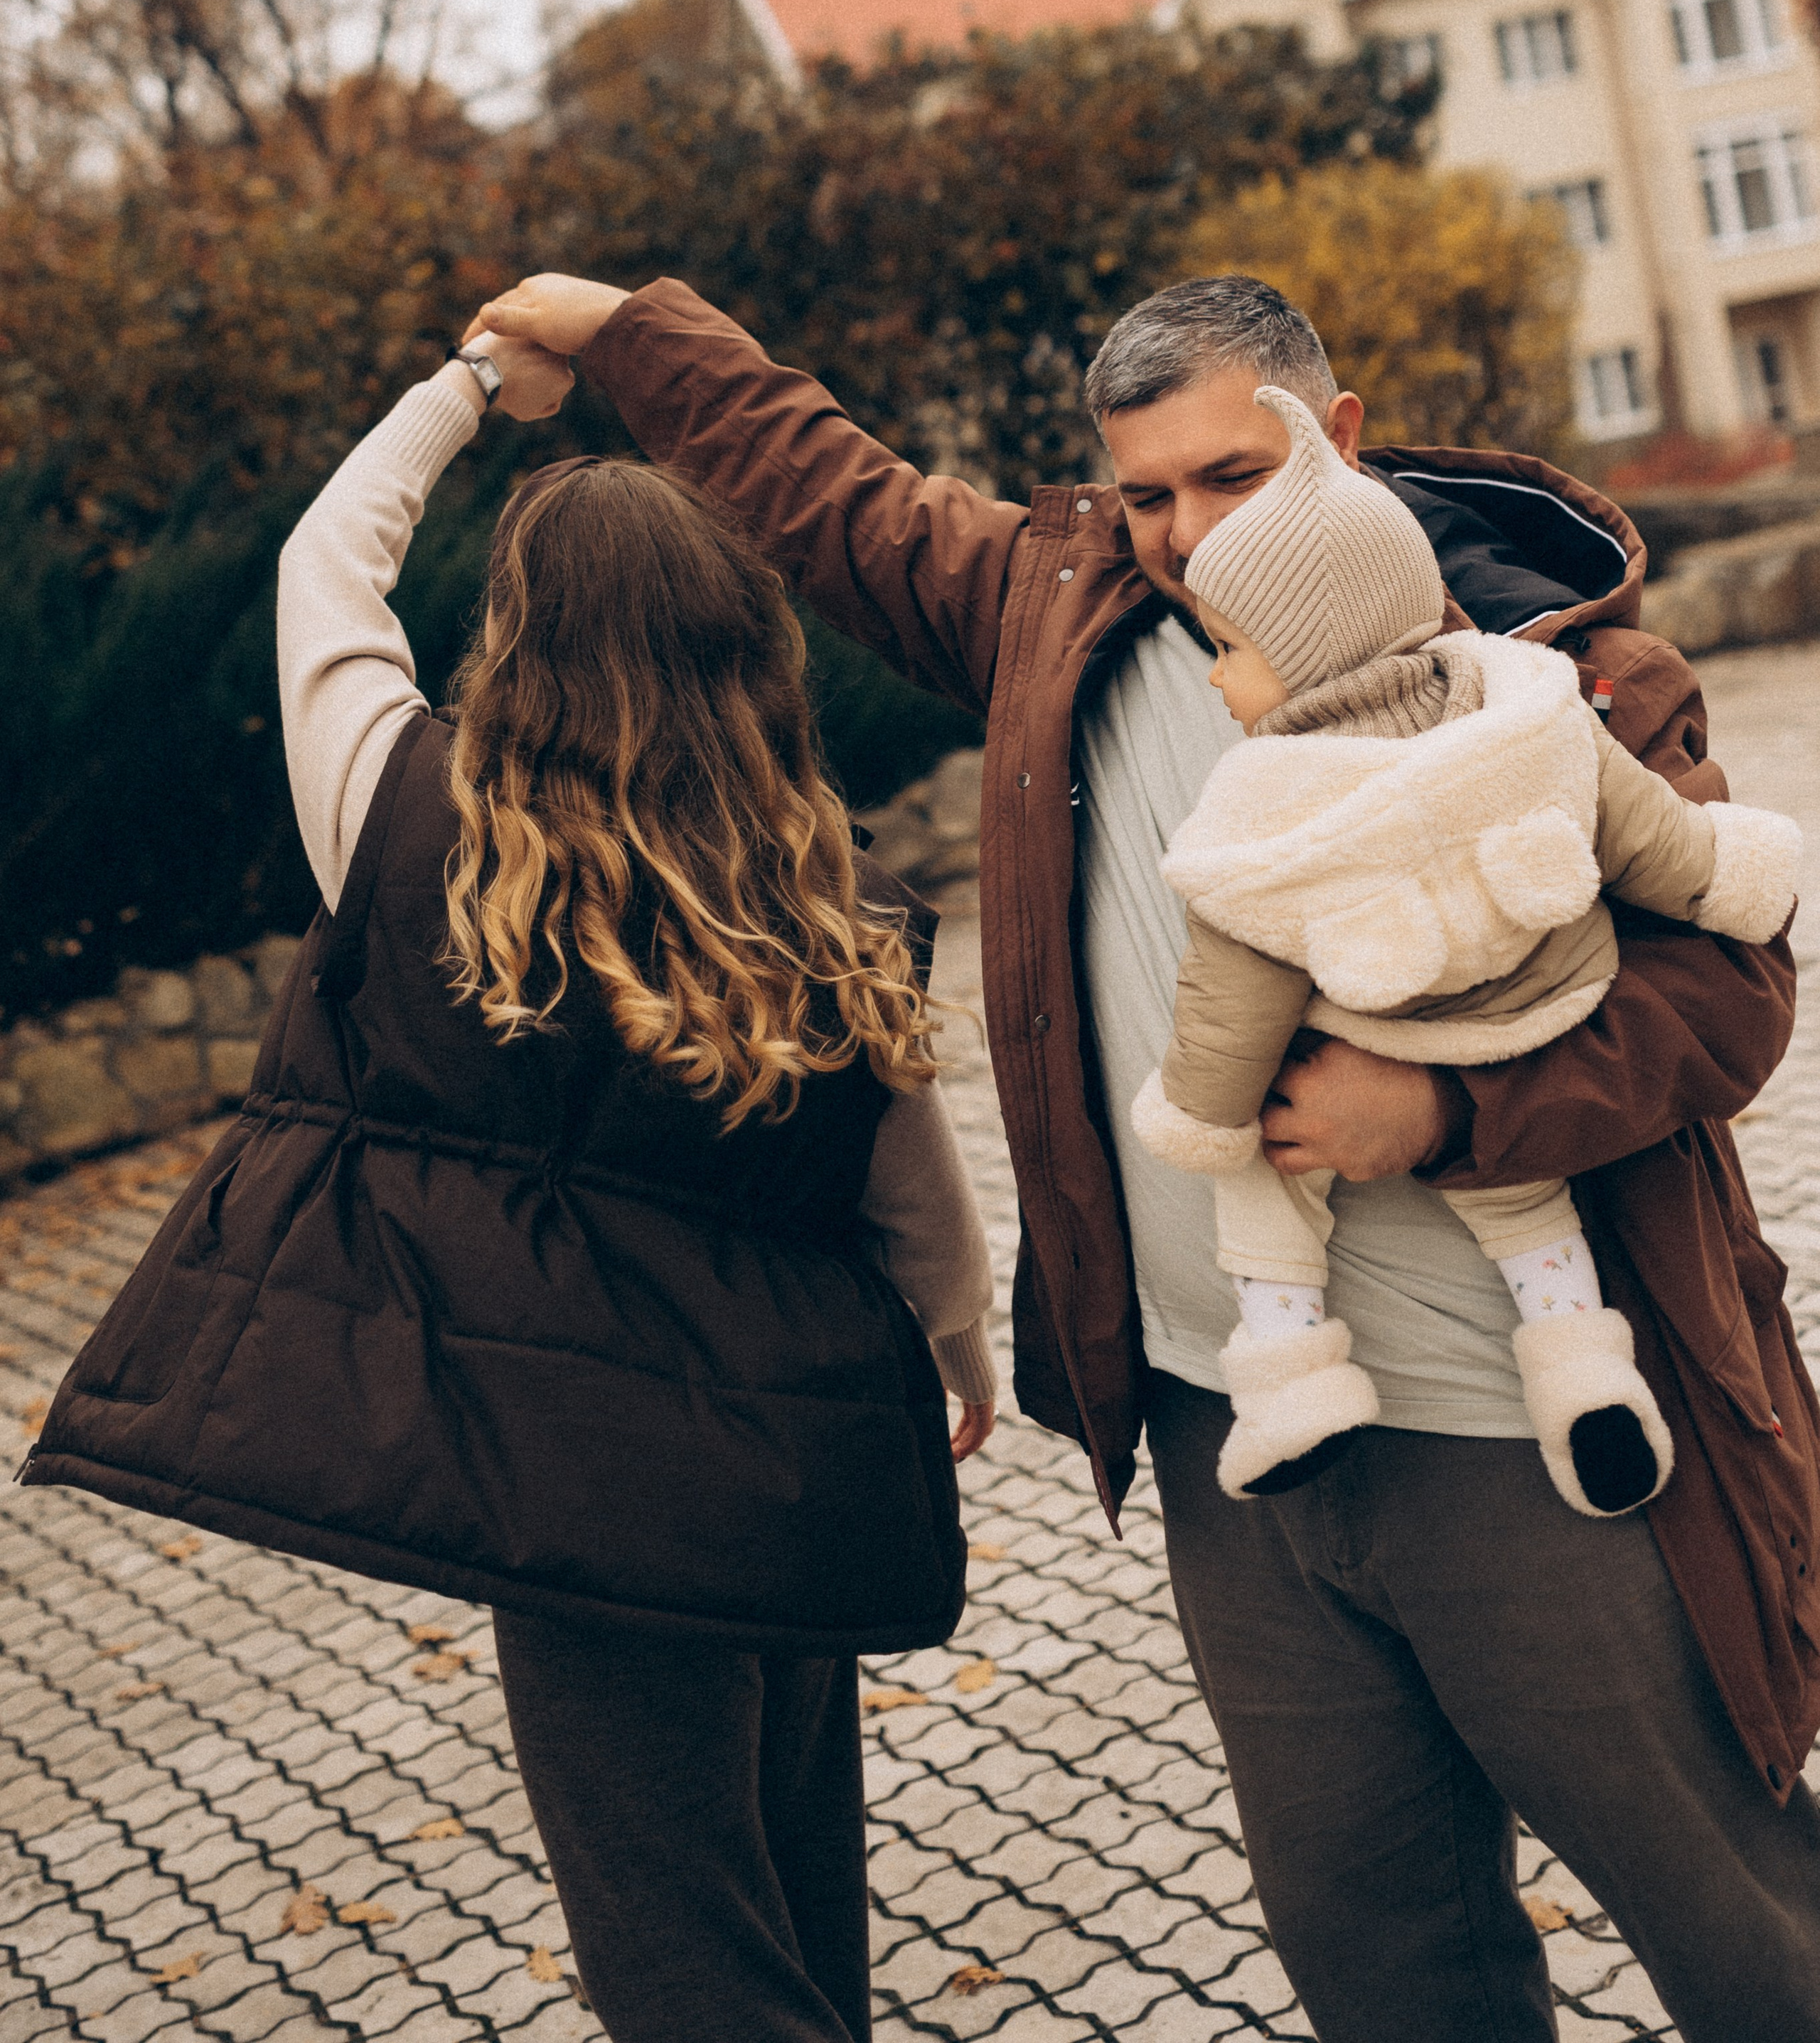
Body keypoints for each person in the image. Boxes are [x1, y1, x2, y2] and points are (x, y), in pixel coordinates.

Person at [461, 264, 1820, 2043]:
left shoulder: (1550, 661)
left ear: (1332, 434)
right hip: (1235, 1438)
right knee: (1380, 1957)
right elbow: (827, 490)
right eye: (1146, 492)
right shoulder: (1056, 619)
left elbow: (1726, 992)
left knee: (1737, 1927)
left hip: (1533, 1436)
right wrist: (623, 325)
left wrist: (1444, 1116)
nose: (1183, 534)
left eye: (1228, 477)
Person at [25, 329, 998, 2043]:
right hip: (782, 1457)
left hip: (572, 1494)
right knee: (796, 1895)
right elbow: (905, 1181)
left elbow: (324, 569)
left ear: (516, 640)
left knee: (679, 1952)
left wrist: (468, 384)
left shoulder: (401, 816)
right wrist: (961, 1342)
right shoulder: (815, 884)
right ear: (740, 646)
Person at [1132, 381, 1799, 1510]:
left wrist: (1201, 1113)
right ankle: (1587, 1379)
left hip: (1390, 1038)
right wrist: (1736, 874)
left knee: (1261, 1181)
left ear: (1300, 649)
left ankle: (1292, 1373)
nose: (1214, 674)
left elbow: (1234, 988)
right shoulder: (1521, 709)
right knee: (1527, 1211)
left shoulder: (1268, 803)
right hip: (1538, 1016)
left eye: (1230, 648)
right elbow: (1650, 837)